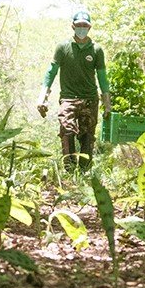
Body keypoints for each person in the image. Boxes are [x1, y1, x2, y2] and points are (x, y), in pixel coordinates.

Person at [37, 10, 111, 171]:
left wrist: (107, 103)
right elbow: (51, 72)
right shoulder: (63, 47)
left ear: (90, 27)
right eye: (79, 25)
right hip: (68, 98)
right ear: (73, 26)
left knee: (87, 135)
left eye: (85, 25)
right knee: (67, 130)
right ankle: (69, 169)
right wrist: (42, 97)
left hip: (89, 98)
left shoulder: (96, 50)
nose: (82, 28)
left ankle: (84, 171)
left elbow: (102, 78)